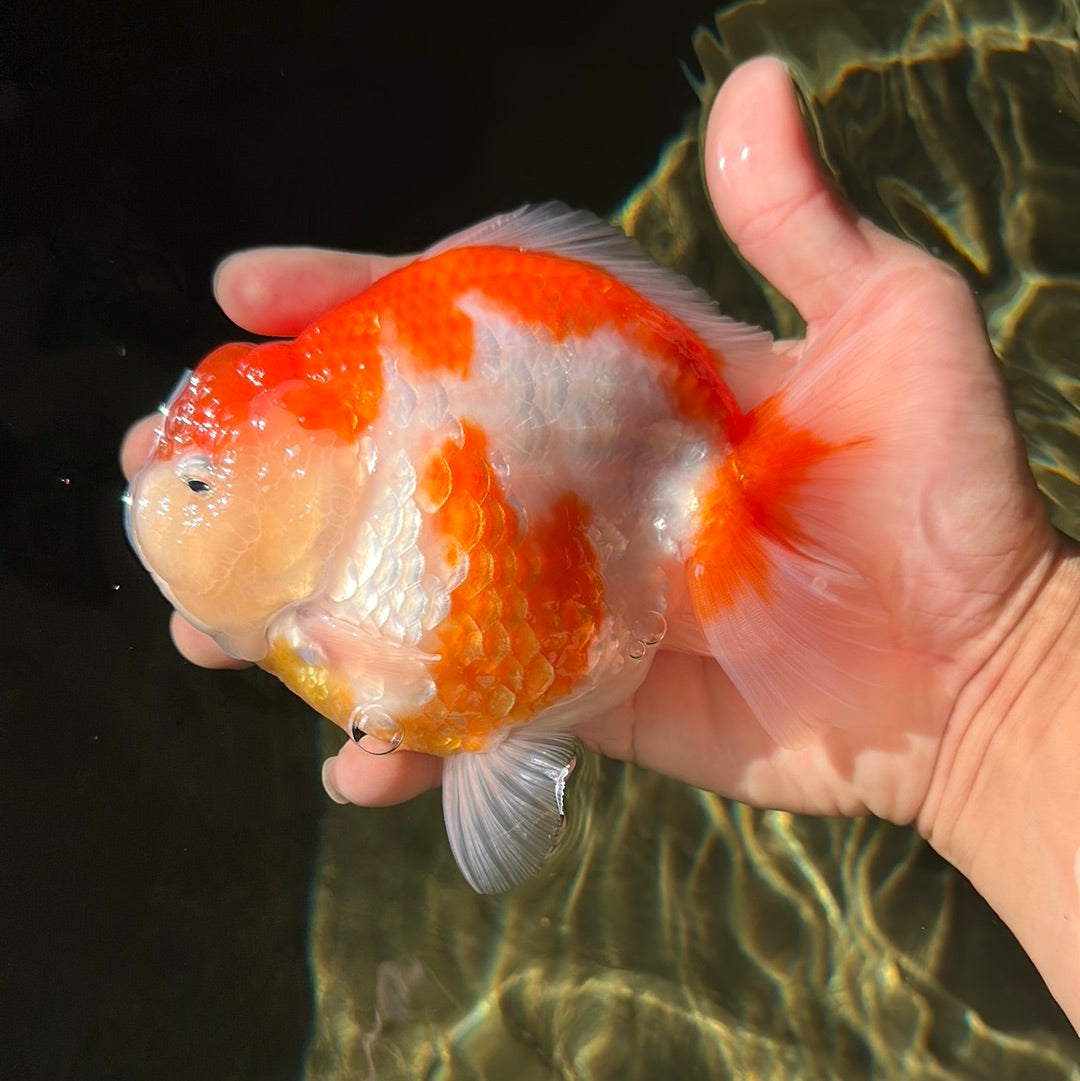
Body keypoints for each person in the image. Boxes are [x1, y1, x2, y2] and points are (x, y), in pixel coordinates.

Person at [120, 57, 1080, 1032]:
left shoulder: (331, 610)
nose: (158, 490)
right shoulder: (321, 576)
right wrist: (1001, 695)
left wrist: (999, 672)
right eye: (192, 476)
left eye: (196, 484)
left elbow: (422, 683)